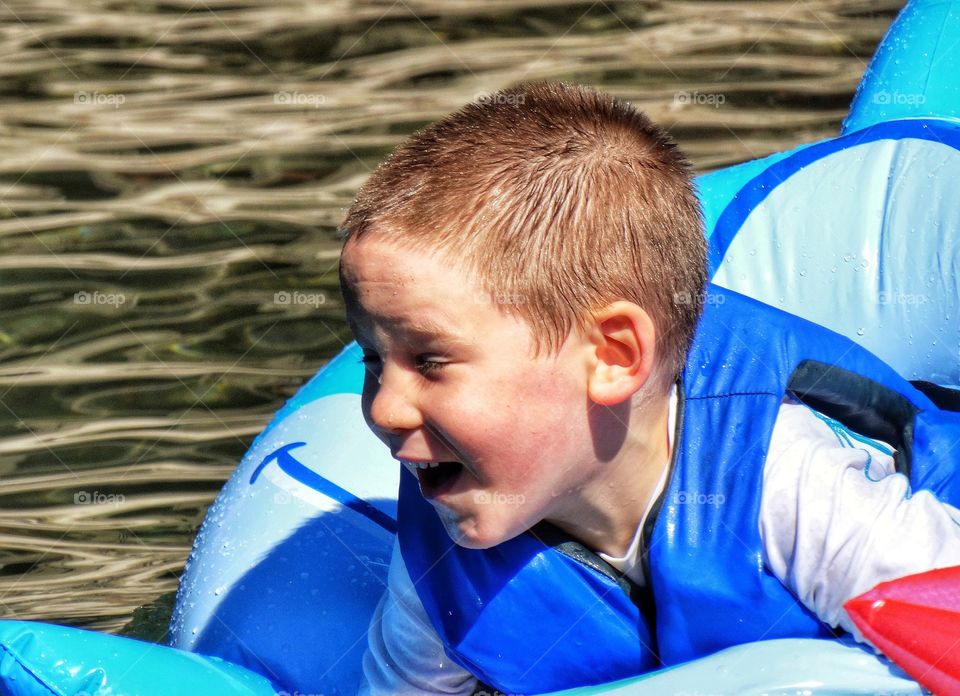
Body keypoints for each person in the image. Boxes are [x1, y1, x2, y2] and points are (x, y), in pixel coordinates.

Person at [336, 82, 960, 695]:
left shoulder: (792, 487)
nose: (384, 408)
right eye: (372, 359)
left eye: (431, 361)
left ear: (613, 356)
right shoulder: (441, 552)